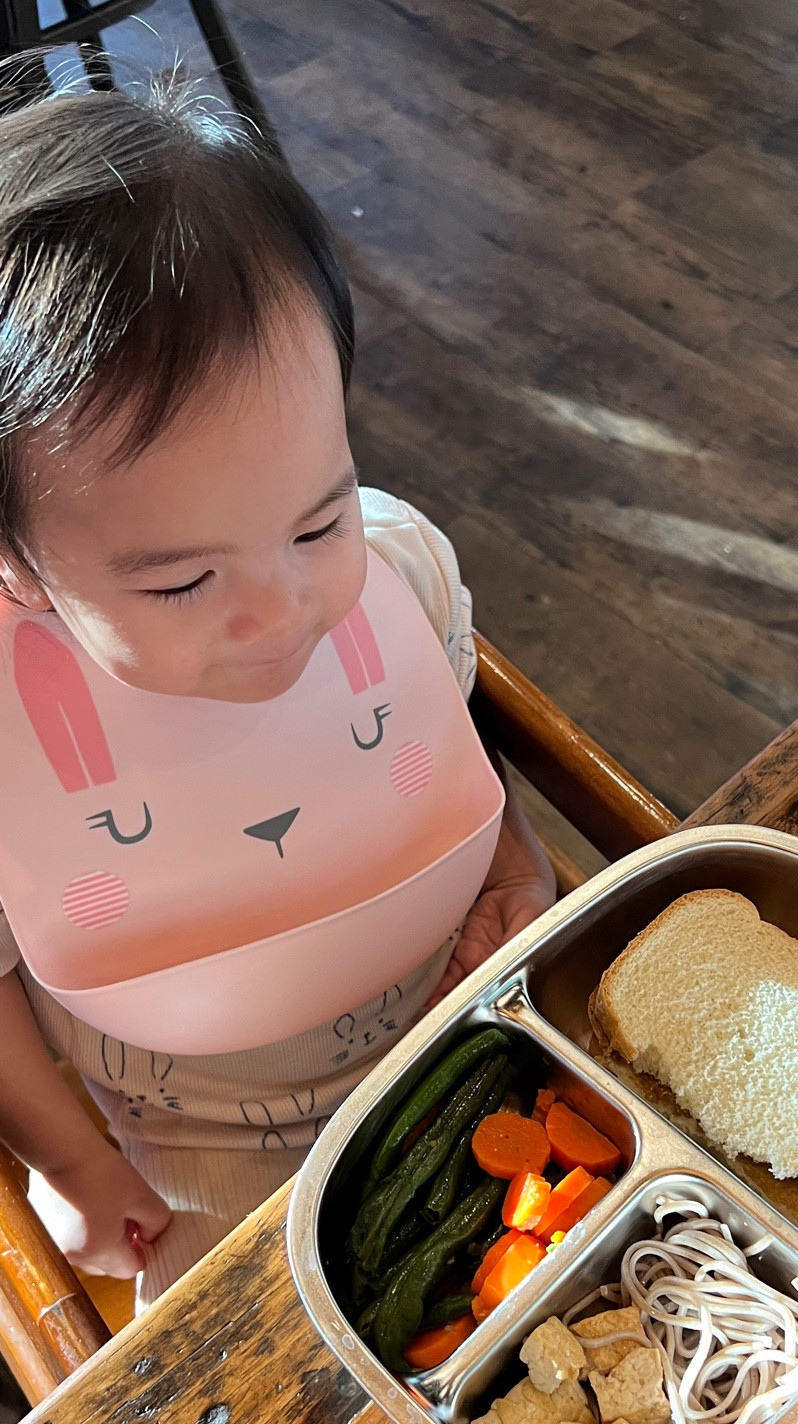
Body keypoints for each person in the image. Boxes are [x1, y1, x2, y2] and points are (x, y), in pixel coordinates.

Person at [0, 73, 555, 1305]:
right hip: (201, 1144)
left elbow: (446, 731)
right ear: (17, 564)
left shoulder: (397, 564)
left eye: (315, 523)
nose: (280, 613)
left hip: (464, 1015)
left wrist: (516, 865)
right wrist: (74, 1161)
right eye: (185, 582)